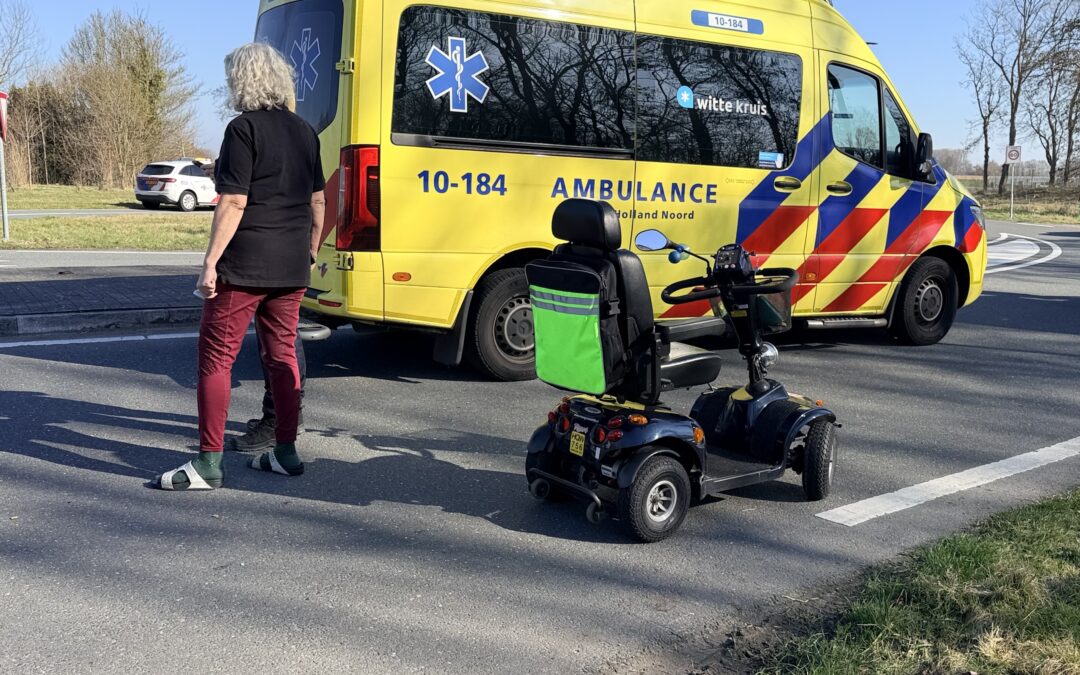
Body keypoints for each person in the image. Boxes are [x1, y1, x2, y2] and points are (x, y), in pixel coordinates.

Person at [155, 42, 326, 490]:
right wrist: (310, 248)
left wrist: (210, 262)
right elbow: (319, 200)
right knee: (282, 355)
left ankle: (208, 464)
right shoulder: (306, 132)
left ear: (242, 81)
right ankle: (285, 453)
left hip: (245, 265)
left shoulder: (242, 130)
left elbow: (233, 200)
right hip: (291, 266)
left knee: (216, 359)